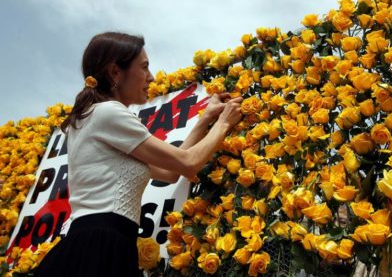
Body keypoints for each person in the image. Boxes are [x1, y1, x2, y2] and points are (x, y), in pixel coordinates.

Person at [33, 32, 242, 276]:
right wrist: (224, 123)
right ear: (114, 72)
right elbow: (189, 163)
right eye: (144, 67)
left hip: (102, 243)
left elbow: (169, 173)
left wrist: (206, 119)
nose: (151, 77)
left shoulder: (94, 117)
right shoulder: (108, 113)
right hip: (101, 247)